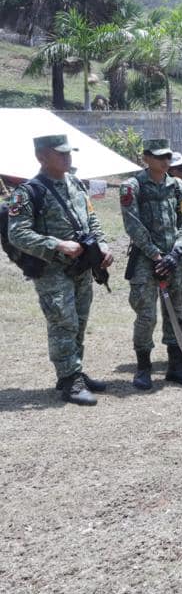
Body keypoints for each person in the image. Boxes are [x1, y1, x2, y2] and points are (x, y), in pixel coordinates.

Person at [7, 134, 114, 405]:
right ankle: (69, 381)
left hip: (81, 267)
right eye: (61, 153)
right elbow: (16, 234)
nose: (68, 157)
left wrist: (101, 245)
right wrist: (57, 244)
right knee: (62, 323)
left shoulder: (76, 184)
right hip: (51, 271)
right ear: (41, 157)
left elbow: (91, 219)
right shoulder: (28, 192)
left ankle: (74, 370)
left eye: (69, 153)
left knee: (79, 320)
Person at [120, 137, 182, 388]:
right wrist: (155, 255)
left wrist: (176, 252)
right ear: (146, 158)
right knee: (146, 315)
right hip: (145, 259)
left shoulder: (178, 186)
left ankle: (176, 367)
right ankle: (143, 368)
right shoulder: (132, 186)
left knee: (176, 313)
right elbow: (132, 224)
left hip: (173, 258)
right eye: (160, 157)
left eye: (168, 157)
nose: (166, 161)